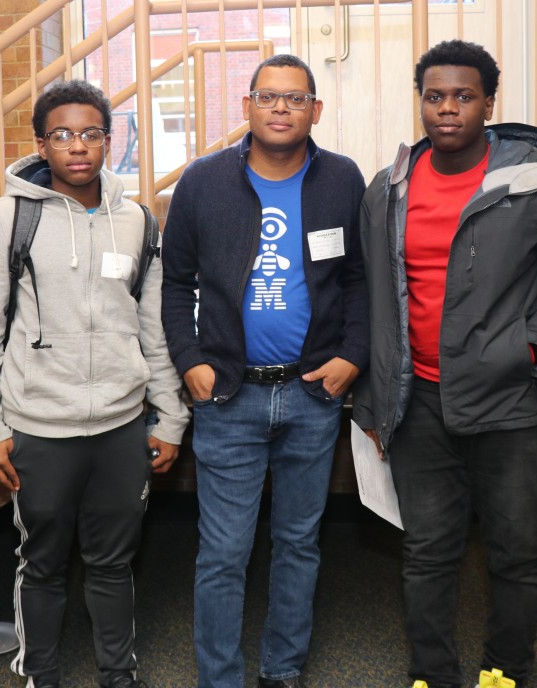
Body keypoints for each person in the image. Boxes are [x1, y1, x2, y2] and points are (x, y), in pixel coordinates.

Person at [354, 39, 537, 688]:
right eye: (435, 96)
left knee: (516, 552)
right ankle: (433, 674)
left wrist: (529, 349)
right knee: (428, 551)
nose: (448, 109)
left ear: (489, 103)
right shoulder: (388, 190)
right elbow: (375, 295)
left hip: (514, 405)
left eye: (463, 96)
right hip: (420, 404)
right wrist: (379, 398)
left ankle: (506, 672)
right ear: (422, 103)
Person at [0, 78, 188, 688]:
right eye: (62, 135)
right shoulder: (12, 217)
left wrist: (170, 416)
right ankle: (41, 675)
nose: (78, 146)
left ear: (110, 142)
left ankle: (119, 675)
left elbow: (153, 328)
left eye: (91, 133)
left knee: (113, 565)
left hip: (120, 426)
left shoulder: (138, 220)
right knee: (41, 565)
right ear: (43, 145)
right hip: (38, 427)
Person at [161, 53, 368, 688]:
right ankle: (219, 679)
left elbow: (360, 280)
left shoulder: (342, 179)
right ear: (247, 106)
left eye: (296, 98)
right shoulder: (202, 181)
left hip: (312, 395)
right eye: (269, 97)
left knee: (299, 544)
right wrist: (190, 362)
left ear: (316, 110)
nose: (282, 108)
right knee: (224, 552)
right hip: (228, 396)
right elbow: (173, 285)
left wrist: (353, 356)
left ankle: (283, 672)